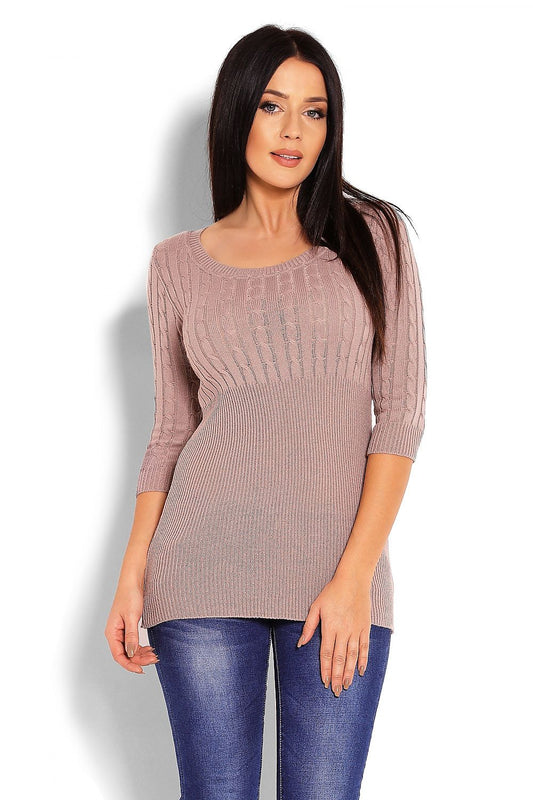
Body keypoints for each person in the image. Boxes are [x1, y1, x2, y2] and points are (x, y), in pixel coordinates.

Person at [105, 23, 427, 800]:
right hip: (200, 571)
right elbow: (171, 432)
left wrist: (352, 577)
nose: (293, 131)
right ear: (237, 113)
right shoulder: (176, 263)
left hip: (336, 575)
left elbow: (400, 415)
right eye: (273, 106)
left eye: (314, 112)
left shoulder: (373, 236)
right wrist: (132, 573)